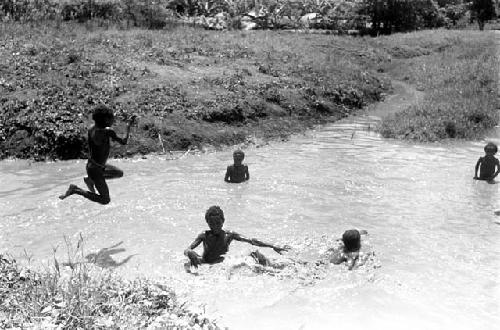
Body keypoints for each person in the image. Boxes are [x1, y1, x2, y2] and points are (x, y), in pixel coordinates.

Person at [59, 105, 136, 204]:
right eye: (112, 118)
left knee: (119, 173)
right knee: (105, 200)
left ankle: (90, 179)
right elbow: (124, 142)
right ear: (106, 120)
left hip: (93, 166)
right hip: (96, 170)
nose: (114, 120)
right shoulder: (107, 131)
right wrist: (128, 125)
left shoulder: (91, 129)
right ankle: (76, 190)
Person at [184, 205, 289, 270]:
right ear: (207, 222)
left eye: (217, 222)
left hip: (221, 263)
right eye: (211, 223)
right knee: (186, 264)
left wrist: (272, 246)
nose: (215, 225)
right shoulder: (204, 235)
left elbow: (252, 241)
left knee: (255, 254)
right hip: (206, 263)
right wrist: (190, 252)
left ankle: (276, 268)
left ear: (223, 221)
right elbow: (187, 249)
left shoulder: (229, 235)